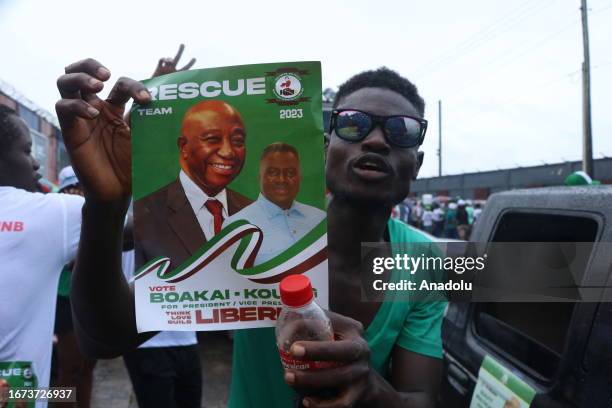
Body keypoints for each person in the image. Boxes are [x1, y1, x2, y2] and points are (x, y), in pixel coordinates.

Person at [55, 61, 446, 408]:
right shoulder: (243, 228)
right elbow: (103, 340)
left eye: (402, 131)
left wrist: (370, 389)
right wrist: (104, 205)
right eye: (353, 124)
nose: (376, 140)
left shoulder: (427, 261)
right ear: (324, 148)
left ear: (417, 166)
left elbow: (423, 397)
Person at [0, 105, 83, 408]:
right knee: (69, 377)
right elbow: (141, 229)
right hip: (19, 394)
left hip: (20, 389)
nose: (35, 163)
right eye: (26, 150)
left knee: (69, 377)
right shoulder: (53, 213)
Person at [134, 99, 252, 270]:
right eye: (212, 139)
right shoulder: (144, 215)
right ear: (183, 147)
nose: (228, 152)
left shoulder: (255, 213)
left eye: (238, 141)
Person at [223, 142, 326, 265]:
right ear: (259, 177)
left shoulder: (320, 219)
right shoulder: (236, 226)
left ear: (300, 178)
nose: (282, 180)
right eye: (272, 172)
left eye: (290, 173)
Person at [53, 166, 97, 408]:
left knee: (87, 367)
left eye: (80, 188)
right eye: (70, 188)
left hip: (90, 303)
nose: (76, 193)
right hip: (64, 301)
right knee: (69, 368)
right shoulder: (58, 220)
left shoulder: (95, 217)